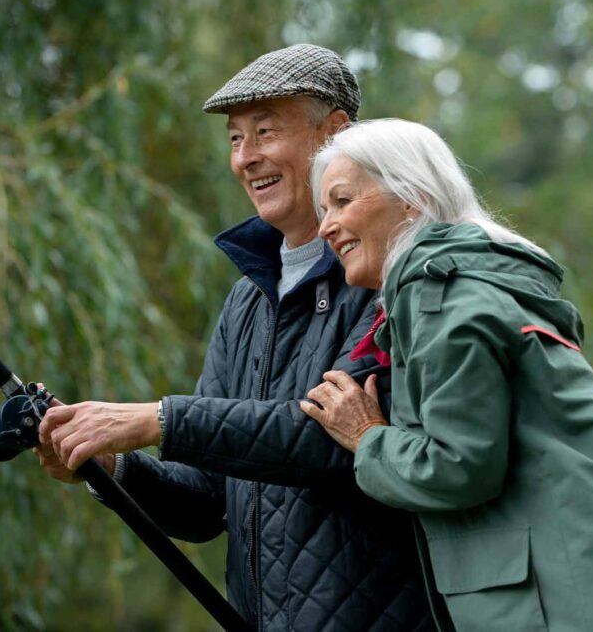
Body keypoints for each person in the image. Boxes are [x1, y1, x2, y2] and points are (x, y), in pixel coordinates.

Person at [35, 49, 433, 630]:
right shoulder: (246, 301)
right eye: (234, 139)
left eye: (265, 132)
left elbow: (331, 440)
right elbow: (206, 501)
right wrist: (116, 466)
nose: (246, 158)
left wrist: (160, 419)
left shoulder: (384, 274)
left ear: (335, 134)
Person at [301, 118, 593, 631]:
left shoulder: (444, 299)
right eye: (323, 209)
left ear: (412, 197)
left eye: (341, 201)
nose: (325, 227)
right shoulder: (470, 285)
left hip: (579, 605)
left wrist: (369, 438)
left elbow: (461, 466)